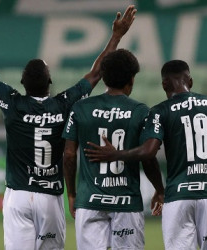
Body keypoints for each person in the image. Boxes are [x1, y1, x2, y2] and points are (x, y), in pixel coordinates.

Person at [0, 6, 136, 250]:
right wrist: (116, 36)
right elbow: (96, 74)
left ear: (22, 83)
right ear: (50, 82)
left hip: (18, 195)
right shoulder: (64, 105)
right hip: (50, 197)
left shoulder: (12, 103)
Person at [85, 59, 207, 250]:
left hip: (179, 196)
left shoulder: (159, 111)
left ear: (164, 84)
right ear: (190, 81)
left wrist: (116, 154)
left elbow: (148, 151)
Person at [62, 48, 164, 250]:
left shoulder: (81, 108)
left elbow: (69, 154)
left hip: (90, 201)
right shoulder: (140, 111)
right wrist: (159, 190)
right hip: (126, 202)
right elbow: (148, 157)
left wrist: (72, 194)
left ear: (104, 78)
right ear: (131, 80)